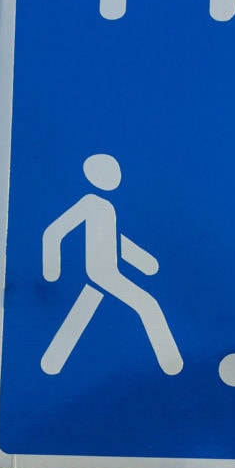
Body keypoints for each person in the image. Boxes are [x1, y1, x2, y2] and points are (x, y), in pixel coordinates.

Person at [40, 154, 183, 376]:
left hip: (105, 272)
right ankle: (172, 364)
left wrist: (145, 263)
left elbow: (115, 241)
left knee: (81, 313)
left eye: (116, 171)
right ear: (95, 176)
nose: (116, 176)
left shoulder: (107, 206)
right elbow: (55, 231)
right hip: (100, 272)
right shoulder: (90, 202)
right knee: (148, 304)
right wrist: (51, 270)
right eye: (110, 172)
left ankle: (51, 364)